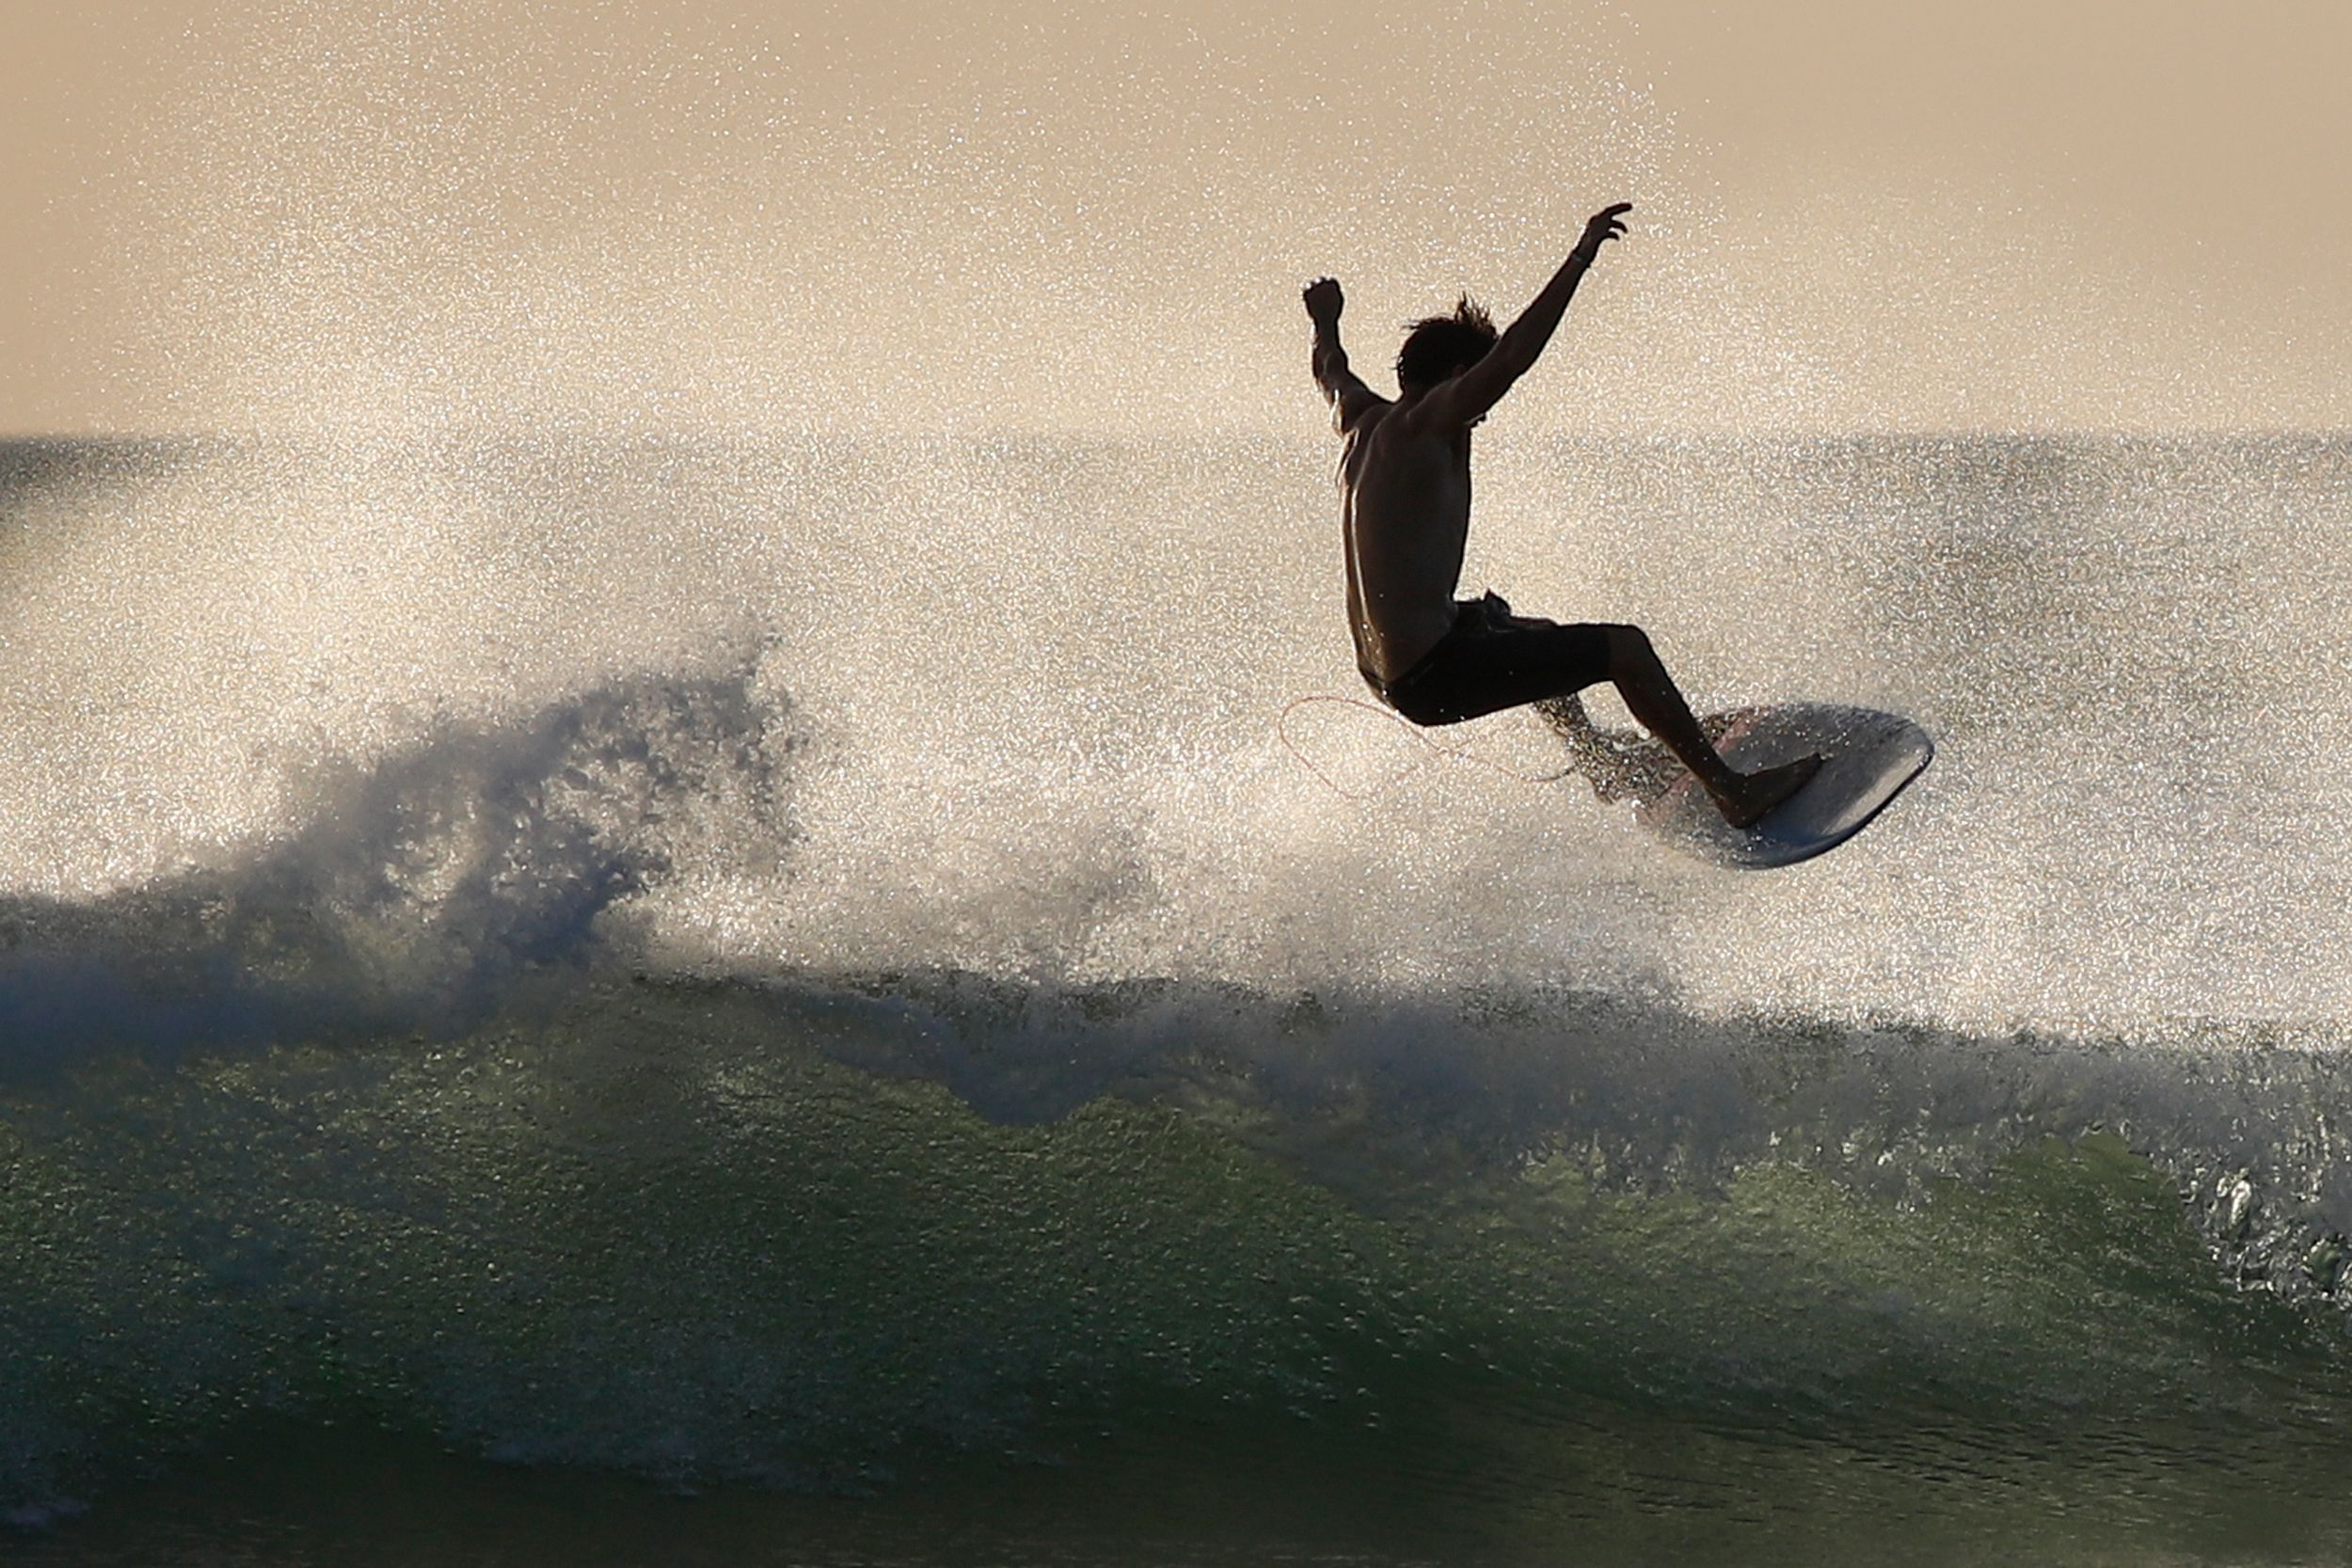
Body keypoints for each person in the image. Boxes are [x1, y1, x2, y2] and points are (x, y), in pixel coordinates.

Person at [1302, 201, 1819, 829]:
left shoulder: (1359, 419)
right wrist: (1582, 255)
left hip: (1384, 670)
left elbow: (1330, 367)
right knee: (1624, 649)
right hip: (1429, 676)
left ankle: (1606, 760)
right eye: (1478, 392)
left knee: (1520, 628)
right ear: (1460, 376)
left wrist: (1326, 320)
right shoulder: (1429, 421)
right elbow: (1516, 354)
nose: (1483, 411)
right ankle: (1731, 791)